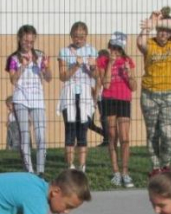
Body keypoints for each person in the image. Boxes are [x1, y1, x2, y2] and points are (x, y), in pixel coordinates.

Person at [137, 7, 171, 177]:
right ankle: (156, 168)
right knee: (152, 133)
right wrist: (149, 23)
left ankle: (166, 164)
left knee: (168, 133)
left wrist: (157, 21)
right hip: (149, 93)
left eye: (166, 31)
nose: (163, 34)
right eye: (160, 31)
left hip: (168, 94)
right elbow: (140, 42)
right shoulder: (150, 43)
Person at [6, 25, 52, 177]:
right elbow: (13, 80)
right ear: (20, 39)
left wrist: (45, 68)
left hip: (37, 99)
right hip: (21, 99)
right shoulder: (13, 58)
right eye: (26, 41)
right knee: (25, 134)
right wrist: (23, 67)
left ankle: (40, 170)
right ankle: (29, 171)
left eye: (31, 41)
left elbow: (49, 78)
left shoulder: (39, 55)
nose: (29, 44)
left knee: (41, 136)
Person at [57, 21, 97, 172]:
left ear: (86, 36)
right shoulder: (64, 52)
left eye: (81, 37)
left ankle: (82, 165)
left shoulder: (92, 51)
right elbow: (62, 76)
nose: (78, 40)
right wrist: (76, 66)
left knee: (83, 129)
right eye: (75, 36)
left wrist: (93, 67)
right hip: (70, 92)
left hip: (85, 93)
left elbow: (96, 75)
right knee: (70, 128)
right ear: (71, 36)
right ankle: (70, 165)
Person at [98, 32, 137, 188]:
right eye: (113, 47)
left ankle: (125, 172)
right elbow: (106, 85)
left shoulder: (128, 61)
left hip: (124, 100)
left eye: (118, 49)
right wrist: (110, 64)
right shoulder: (103, 60)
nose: (115, 51)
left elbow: (134, 87)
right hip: (109, 99)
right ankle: (116, 172)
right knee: (112, 135)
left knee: (124, 137)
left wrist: (128, 74)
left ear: (122, 50)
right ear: (109, 47)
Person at [91, 48, 110, 147]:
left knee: (103, 117)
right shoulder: (97, 66)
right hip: (97, 96)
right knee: (90, 122)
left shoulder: (104, 67)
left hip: (101, 96)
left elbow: (99, 83)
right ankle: (108, 137)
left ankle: (107, 139)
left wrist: (94, 100)